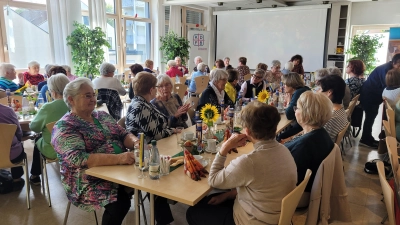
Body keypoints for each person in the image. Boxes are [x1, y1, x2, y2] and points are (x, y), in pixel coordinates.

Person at [187, 101, 297, 225]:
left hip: (251, 220)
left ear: (247, 131)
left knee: (193, 212)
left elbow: (213, 180)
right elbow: (262, 188)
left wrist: (224, 148)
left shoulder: (249, 162)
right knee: (211, 199)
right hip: (272, 215)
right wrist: (228, 195)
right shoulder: (284, 150)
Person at [51, 77, 139, 225]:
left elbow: (123, 134)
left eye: (93, 94)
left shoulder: (102, 116)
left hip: (120, 170)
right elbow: (79, 159)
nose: (93, 99)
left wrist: (136, 143)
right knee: (120, 203)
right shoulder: (65, 126)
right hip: (86, 180)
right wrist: (119, 158)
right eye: (87, 96)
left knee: (154, 179)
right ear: (71, 100)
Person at [284, 91, 334, 207]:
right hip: (306, 190)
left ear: (306, 115)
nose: (295, 111)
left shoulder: (305, 145)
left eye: (297, 108)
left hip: (297, 196)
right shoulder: (320, 133)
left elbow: (289, 179)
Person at [29, 74, 70, 185]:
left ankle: (35, 175)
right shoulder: (74, 104)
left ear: (52, 91)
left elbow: (34, 127)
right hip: (75, 147)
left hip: (54, 150)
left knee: (38, 139)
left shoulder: (48, 107)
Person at [360, 54, 400, 147]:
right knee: (370, 118)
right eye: (399, 65)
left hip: (373, 94)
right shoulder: (386, 70)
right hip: (369, 95)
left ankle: (367, 138)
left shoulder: (389, 68)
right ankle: (365, 139)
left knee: (371, 117)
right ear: (393, 63)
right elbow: (388, 85)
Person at [126, 72, 177, 143]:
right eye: (156, 87)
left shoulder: (143, 102)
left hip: (158, 143)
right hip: (146, 148)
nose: (157, 90)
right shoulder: (140, 107)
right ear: (151, 90)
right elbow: (157, 136)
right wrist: (173, 130)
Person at [277, 72, 310, 142]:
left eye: (285, 84)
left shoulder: (298, 92)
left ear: (291, 85)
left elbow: (289, 115)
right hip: (307, 123)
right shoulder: (305, 88)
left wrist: (289, 102)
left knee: (281, 137)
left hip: (303, 127)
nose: (283, 86)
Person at [0, 103, 26, 191]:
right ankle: (17, 179)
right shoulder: (8, 111)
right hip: (12, 155)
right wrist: (19, 139)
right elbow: (18, 131)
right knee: (17, 147)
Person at [318, 75, 349, 142]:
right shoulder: (340, 109)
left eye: (320, 89)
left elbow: (316, 139)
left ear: (329, 92)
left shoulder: (331, 117)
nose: (318, 91)